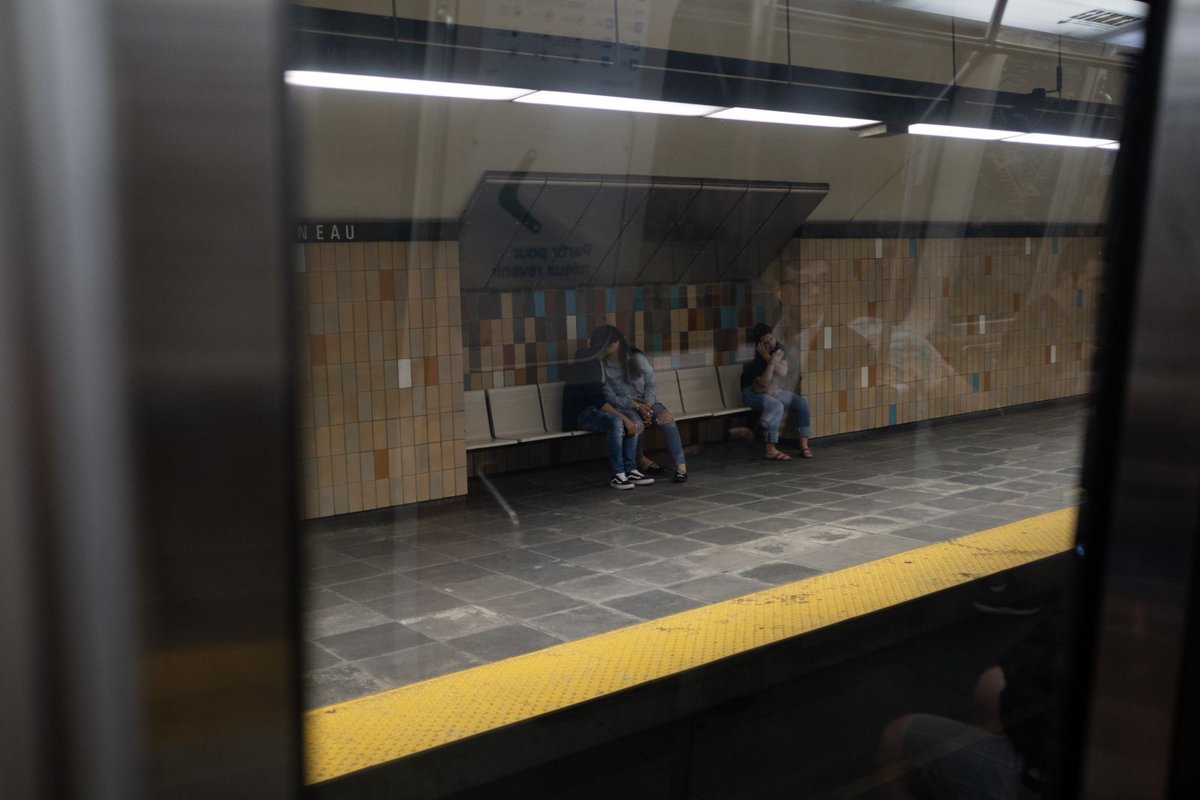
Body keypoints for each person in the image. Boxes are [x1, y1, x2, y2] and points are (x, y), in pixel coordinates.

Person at [591, 325, 688, 483]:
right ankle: (640, 459)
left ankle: (681, 466)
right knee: (635, 422)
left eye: (608, 344)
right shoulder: (603, 366)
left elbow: (651, 384)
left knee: (667, 419)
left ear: (616, 343)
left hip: (648, 403)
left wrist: (647, 406)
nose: (605, 348)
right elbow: (610, 397)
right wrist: (636, 406)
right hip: (625, 407)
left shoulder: (637, 358)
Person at [562, 325, 654, 490]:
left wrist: (629, 416)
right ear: (609, 346)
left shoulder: (597, 361)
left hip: (597, 409)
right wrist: (623, 417)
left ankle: (631, 469)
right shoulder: (588, 363)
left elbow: (603, 398)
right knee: (616, 422)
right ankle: (618, 474)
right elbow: (597, 400)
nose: (614, 348)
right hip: (580, 413)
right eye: (612, 344)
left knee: (634, 418)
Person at [740, 322, 814, 461]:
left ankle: (804, 445)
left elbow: (783, 371)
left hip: (771, 390)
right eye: (766, 343)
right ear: (759, 345)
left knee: (801, 403)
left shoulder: (778, 347)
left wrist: (770, 359)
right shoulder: (753, 358)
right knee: (776, 406)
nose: (771, 344)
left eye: (772, 339)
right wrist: (771, 362)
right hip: (752, 393)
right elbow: (763, 382)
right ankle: (770, 449)